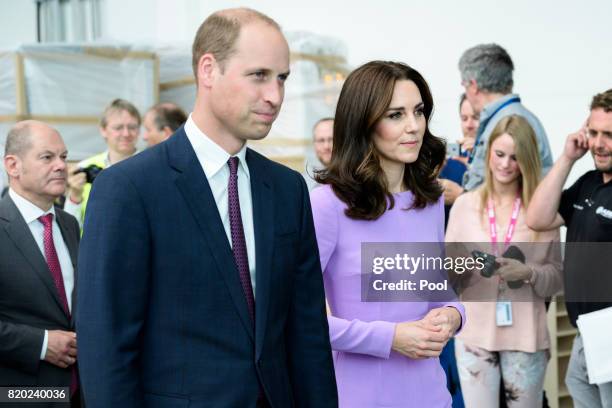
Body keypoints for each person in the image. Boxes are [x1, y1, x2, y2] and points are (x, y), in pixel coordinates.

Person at [76, 8, 337, 408]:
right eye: (259, 75)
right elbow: (106, 345)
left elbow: (307, 333)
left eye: (282, 78)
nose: (275, 96)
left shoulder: (287, 190)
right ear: (208, 70)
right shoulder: (129, 189)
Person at [311, 60, 465, 407]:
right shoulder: (327, 206)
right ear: (364, 123)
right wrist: (390, 337)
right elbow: (298, 320)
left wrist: (454, 316)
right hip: (361, 395)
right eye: (395, 115)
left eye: (419, 111)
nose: (413, 127)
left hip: (431, 394)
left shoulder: (431, 199)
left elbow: (441, 295)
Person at [446, 115, 563, 407]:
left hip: (526, 337)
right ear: (488, 154)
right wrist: (468, 270)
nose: (505, 164)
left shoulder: (542, 212)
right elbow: (446, 272)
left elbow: (557, 279)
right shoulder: (464, 205)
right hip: (474, 335)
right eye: (499, 154)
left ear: (527, 160)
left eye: (515, 157)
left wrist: (529, 273)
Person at [527, 89, 612, 408]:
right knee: (576, 382)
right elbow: (538, 217)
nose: (599, 143)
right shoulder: (589, 182)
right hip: (587, 331)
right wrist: (567, 158)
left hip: (608, 331)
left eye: (609, 134)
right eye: (594, 132)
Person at [0, 121, 80, 406]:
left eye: (64, 156)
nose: (60, 165)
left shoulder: (69, 224)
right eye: (47, 157)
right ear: (13, 165)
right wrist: (42, 344)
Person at [458, 43, 553, 192]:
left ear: (473, 85)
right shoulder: (517, 117)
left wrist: (460, 195)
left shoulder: (508, 123)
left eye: (464, 84)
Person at [63, 98, 141, 226]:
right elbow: (70, 228)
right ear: (103, 130)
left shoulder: (152, 167)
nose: (126, 133)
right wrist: (75, 195)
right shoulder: (84, 168)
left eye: (132, 127)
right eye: (118, 127)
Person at [440, 94, 480, 221]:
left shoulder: (501, 163)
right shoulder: (448, 163)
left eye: (476, 117)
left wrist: (460, 195)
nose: (469, 125)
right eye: (464, 118)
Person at [304, 117, 333, 191]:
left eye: (332, 139)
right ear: (314, 144)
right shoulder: (304, 183)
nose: (326, 146)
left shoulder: (357, 179)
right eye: (321, 140)